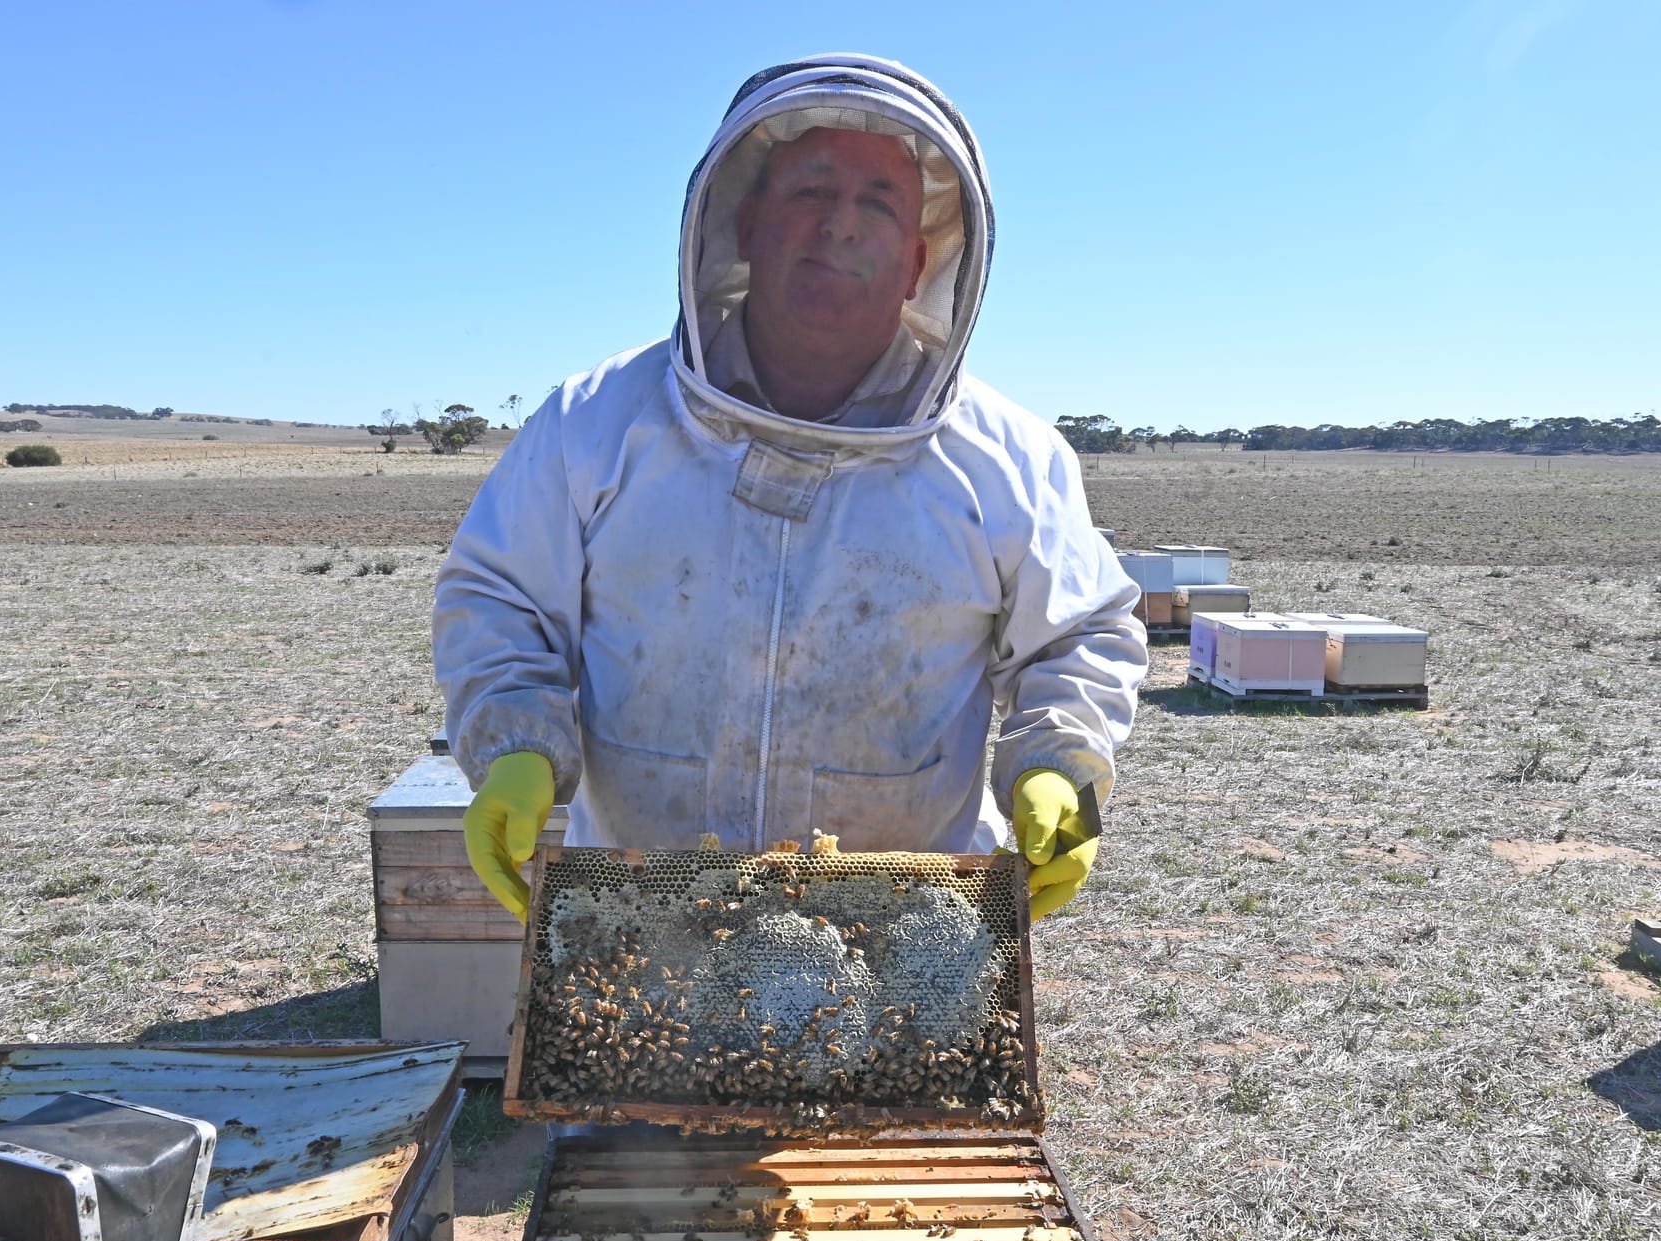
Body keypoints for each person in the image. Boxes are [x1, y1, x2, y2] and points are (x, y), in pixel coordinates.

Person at [433, 54, 1148, 925]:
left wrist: (1057, 759)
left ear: (921, 261)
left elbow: (1079, 631)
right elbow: (500, 594)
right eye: (812, 190)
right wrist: (515, 741)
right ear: (743, 223)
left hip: (902, 939)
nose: (841, 226)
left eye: (879, 203)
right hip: (643, 928)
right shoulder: (597, 421)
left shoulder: (1009, 459)